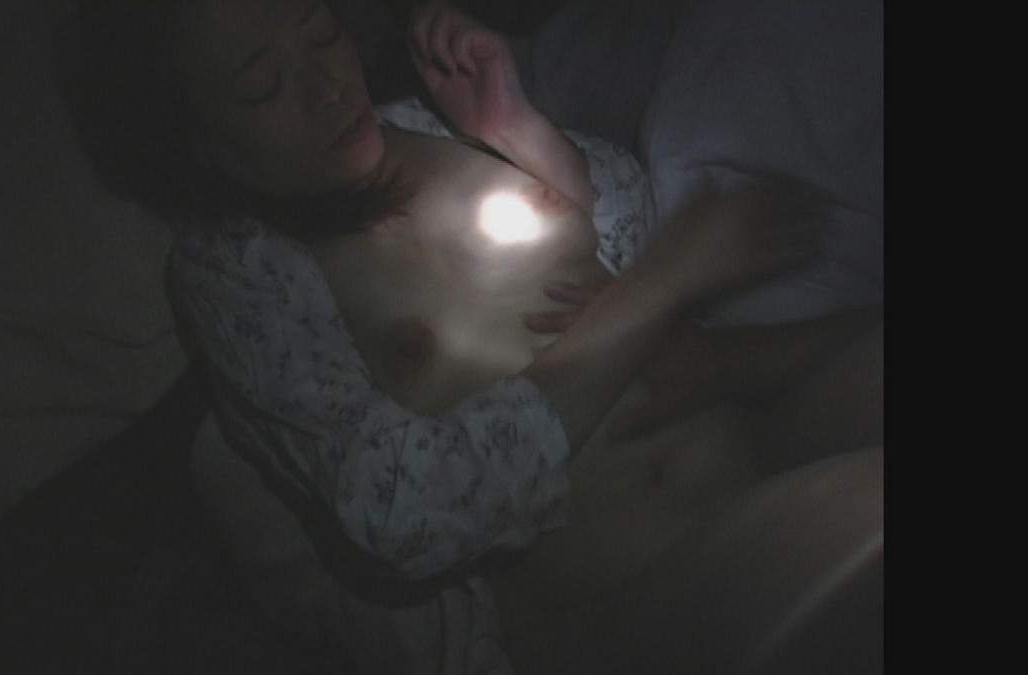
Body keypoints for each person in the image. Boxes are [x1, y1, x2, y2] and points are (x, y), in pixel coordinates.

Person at [54, 1, 883, 673]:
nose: (328, 86)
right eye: (265, 84)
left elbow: (623, 235)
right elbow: (400, 512)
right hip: (625, 604)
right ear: (197, 144)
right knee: (857, 526)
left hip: (751, 458)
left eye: (321, 31)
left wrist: (519, 129)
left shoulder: (431, 121)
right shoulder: (240, 272)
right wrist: (653, 293)